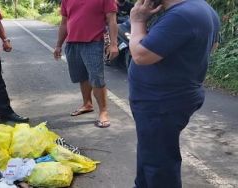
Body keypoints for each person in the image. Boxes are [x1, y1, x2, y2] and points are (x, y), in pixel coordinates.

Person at [128, 0, 220, 187]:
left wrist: (137, 21)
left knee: (159, 165)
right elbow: (213, 46)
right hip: (168, 98)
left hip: (161, 102)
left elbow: (140, 55)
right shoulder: (201, 7)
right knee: (150, 154)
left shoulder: (181, 16)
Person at [54, 0, 119, 128]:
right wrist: (58, 45)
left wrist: (113, 44)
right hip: (72, 43)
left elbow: (112, 20)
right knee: (81, 76)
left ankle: (103, 112)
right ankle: (87, 104)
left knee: (96, 78)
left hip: (93, 43)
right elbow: (64, 23)